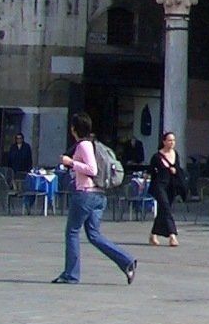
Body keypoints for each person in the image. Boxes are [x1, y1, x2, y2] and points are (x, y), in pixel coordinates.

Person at [52, 114, 136, 285]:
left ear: (74, 129)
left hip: (85, 194)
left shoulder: (83, 145)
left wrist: (70, 163)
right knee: (94, 235)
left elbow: (92, 169)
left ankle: (71, 274)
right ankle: (126, 261)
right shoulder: (91, 144)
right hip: (98, 195)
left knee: (72, 232)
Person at [148, 131, 185, 248]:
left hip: (171, 186)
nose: (172, 143)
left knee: (163, 210)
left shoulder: (176, 154)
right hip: (160, 186)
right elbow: (151, 170)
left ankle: (153, 234)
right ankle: (172, 235)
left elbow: (179, 169)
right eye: (169, 140)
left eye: (173, 140)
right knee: (166, 208)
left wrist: (175, 171)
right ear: (164, 141)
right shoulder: (157, 156)